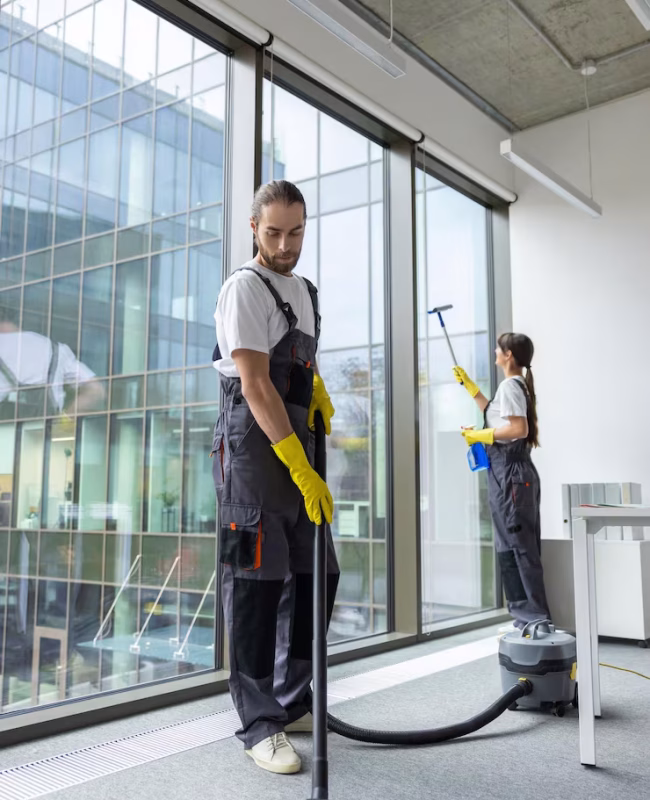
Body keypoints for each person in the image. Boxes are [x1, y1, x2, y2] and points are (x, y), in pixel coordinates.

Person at [212, 180, 340, 775]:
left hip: (296, 441)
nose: (285, 245)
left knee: (318, 571)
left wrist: (315, 389)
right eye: (273, 233)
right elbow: (256, 382)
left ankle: (292, 700)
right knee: (257, 583)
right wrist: (298, 465)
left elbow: (296, 365)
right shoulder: (245, 287)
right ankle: (258, 722)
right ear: (253, 227)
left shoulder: (305, 289)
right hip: (254, 445)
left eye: (296, 232)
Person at [453, 333, 551, 630]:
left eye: (499, 348)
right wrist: (470, 388)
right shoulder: (516, 385)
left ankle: (535, 620)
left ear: (508, 355)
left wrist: (480, 436)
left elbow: (517, 429)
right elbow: (497, 415)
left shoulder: (511, 385)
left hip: (510, 475)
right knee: (510, 547)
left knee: (518, 548)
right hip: (509, 475)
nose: (495, 351)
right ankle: (525, 618)